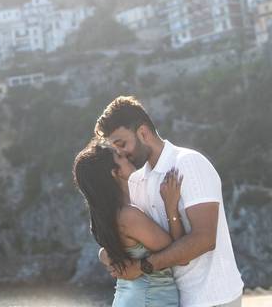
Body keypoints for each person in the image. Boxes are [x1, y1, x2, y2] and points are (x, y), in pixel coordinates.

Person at [94, 96, 244, 307]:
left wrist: (142, 266)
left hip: (213, 297)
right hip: (173, 300)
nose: (121, 153)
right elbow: (139, 239)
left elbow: (204, 239)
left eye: (122, 144)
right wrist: (108, 256)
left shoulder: (188, 164)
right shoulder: (137, 181)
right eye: (116, 149)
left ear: (143, 133)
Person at [74, 139, 184, 306]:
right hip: (148, 300)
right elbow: (178, 254)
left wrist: (104, 255)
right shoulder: (128, 216)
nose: (126, 155)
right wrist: (171, 208)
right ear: (114, 172)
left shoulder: (111, 215)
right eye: (119, 156)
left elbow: (113, 251)